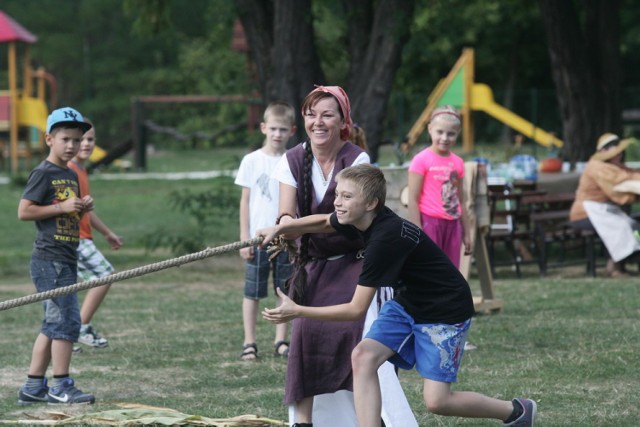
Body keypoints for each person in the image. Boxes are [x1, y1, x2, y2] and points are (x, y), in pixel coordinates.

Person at [259, 164, 537, 427]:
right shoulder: (362, 218)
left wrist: (298, 311)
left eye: (346, 196)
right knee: (363, 357)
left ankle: (516, 411)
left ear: (370, 204)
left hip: (445, 310)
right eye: (337, 195)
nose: (337, 202)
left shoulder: (385, 240)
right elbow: (324, 223)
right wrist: (283, 228)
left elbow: (355, 310)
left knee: (437, 401)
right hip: (407, 303)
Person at [272, 86, 416, 426]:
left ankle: (373, 421)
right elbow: (286, 213)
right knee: (304, 345)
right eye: (310, 114)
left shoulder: (357, 160)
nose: (317, 122)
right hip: (312, 269)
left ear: (342, 122)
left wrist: (287, 228)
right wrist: (283, 226)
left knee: (359, 347)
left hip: (357, 266)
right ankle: (304, 424)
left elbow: (337, 220)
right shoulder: (291, 159)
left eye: (327, 115)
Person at [17, 107, 96, 405]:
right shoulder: (44, 172)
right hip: (49, 259)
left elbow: (63, 210)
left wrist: (79, 208)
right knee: (66, 323)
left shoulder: (69, 172)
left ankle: (33, 387)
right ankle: (60, 386)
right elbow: (24, 211)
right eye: (66, 139)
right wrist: (62, 208)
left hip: (65, 257)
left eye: (78, 140)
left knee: (52, 325)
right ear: (49, 139)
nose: (73, 146)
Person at [234, 101, 296, 360]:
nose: (277, 134)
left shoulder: (294, 159)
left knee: (285, 289)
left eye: (283, 129)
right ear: (263, 128)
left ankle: (281, 340)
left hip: (284, 239)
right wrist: (244, 238)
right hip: (257, 239)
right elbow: (245, 201)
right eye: (273, 128)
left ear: (292, 130)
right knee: (253, 290)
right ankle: (249, 341)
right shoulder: (251, 160)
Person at [68, 119, 123, 350]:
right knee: (104, 274)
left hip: (84, 237)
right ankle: (80, 328)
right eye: (82, 140)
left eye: (91, 139)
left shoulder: (81, 170)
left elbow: (87, 212)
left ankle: (71, 333)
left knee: (72, 290)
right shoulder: (69, 170)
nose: (87, 144)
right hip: (74, 239)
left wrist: (107, 233)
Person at [407, 105, 471, 269]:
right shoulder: (421, 160)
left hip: (453, 225)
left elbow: (462, 200)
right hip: (430, 224)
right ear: (430, 129)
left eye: (451, 133)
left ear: (458, 134)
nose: (445, 138)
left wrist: (467, 233)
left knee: (451, 271)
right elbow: (412, 200)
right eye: (440, 132)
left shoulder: (458, 162)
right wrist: (418, 232)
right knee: (430, 270)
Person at [569, 132, 640, 277]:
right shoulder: (598, 167)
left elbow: (630, 174)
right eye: (615, 153)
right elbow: (618, 185)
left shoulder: (614, 167)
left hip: (604, 211)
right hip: (586, 213)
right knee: (620, 226)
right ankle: (614, 268)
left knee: (631, 225)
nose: (619, 155)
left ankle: (616, 265)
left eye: (619, 152)